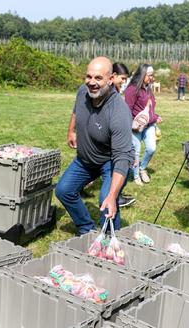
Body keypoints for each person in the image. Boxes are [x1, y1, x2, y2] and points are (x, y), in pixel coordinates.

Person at [55, 56, 133, 236]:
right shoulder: (83, 91)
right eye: (88, 77)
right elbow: (76, 111)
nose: (92, 83)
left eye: (98, 78)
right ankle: (86, 229)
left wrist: (113, 196)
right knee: (63, 190)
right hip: (85, 160)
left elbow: (122, 158)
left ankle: (113, 239)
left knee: (106, 200)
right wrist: (71, 131)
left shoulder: (119, 111)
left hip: (110, 162)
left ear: (111, 78)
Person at [125, 64, 162, 186]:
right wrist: (131, 124)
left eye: (152, 75)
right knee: (136, 152)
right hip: (135, 128)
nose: (152, 78)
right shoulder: (132, 89)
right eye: (150, 75)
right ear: (142, 75)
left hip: (149, 126)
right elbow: (127, 109)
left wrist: (156, 117)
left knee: (151, 148)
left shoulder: (148, 89)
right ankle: (135, 176)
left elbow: (149, 109)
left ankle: (142, 168)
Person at [112, 62, 136, 207]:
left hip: (119, 137)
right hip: (115, 140)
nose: (124, 82)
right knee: (121, 169)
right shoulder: (111, 94)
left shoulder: (115, 92)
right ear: (113, 76)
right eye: (122, 78)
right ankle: (115, 198)